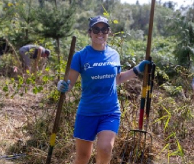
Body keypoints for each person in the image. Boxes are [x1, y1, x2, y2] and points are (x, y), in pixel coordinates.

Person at [56, 15, 150, 164]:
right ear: (90, 32)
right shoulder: (80, 56)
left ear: (108, 32)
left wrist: (137, 69)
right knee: (82, 157)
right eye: (96, 29)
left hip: (110, 111)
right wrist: (62, 85)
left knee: (105, 149)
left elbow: (117, 79)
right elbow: (70, 83)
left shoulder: (114, 54)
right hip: (87, 111)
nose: (100, 33)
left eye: (104, 29)